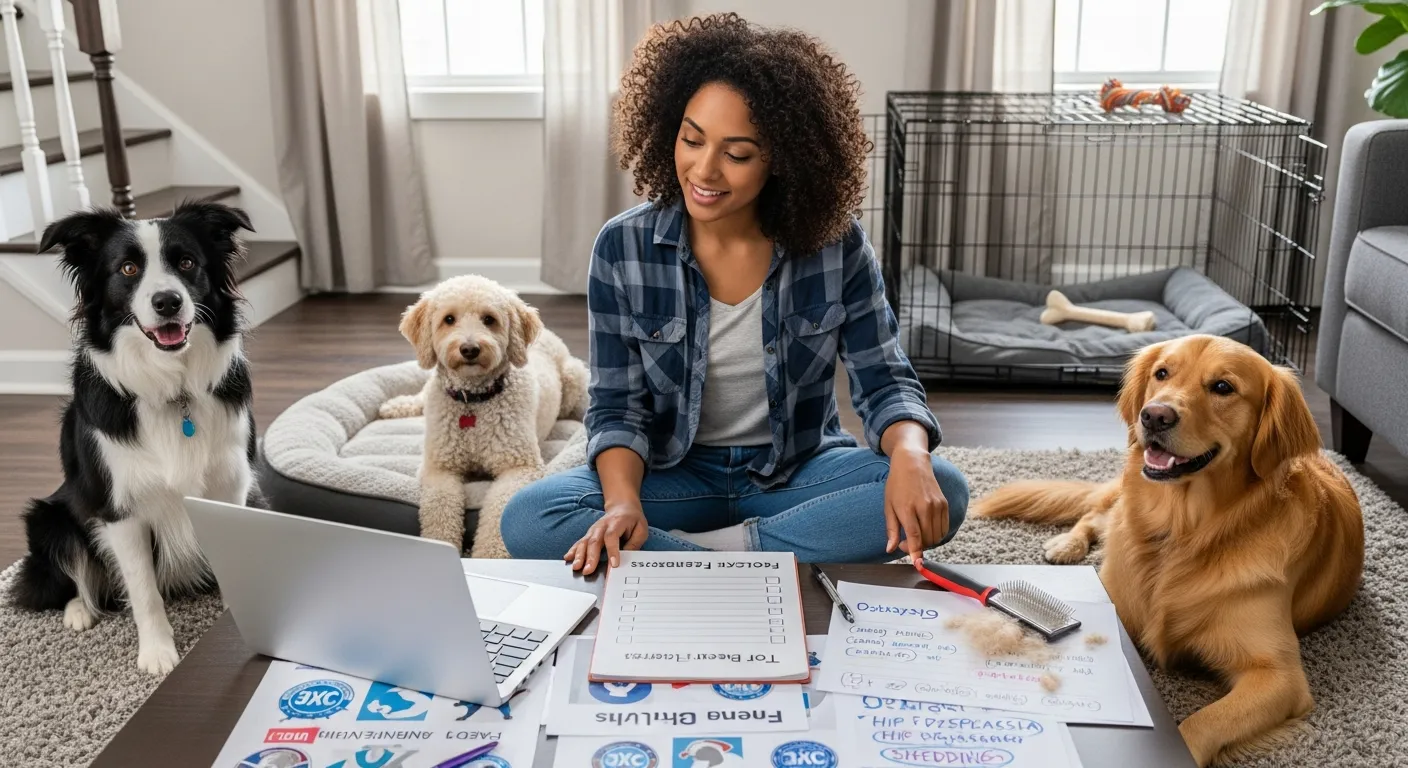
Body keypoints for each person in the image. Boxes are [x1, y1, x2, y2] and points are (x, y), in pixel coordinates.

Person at [500, 13, 968, 573]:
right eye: (691, 139)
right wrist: (623, 503)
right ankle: (766, 556)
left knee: (944, 486)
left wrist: (910, 455)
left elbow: (884, 379)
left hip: (797, 471)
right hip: (672, 474)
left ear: (783, 157)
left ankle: (706, 560)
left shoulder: (835, 245)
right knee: (530, 516)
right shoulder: (623, 246)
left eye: (737, 154)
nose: (704, 170)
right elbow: (618, 407)